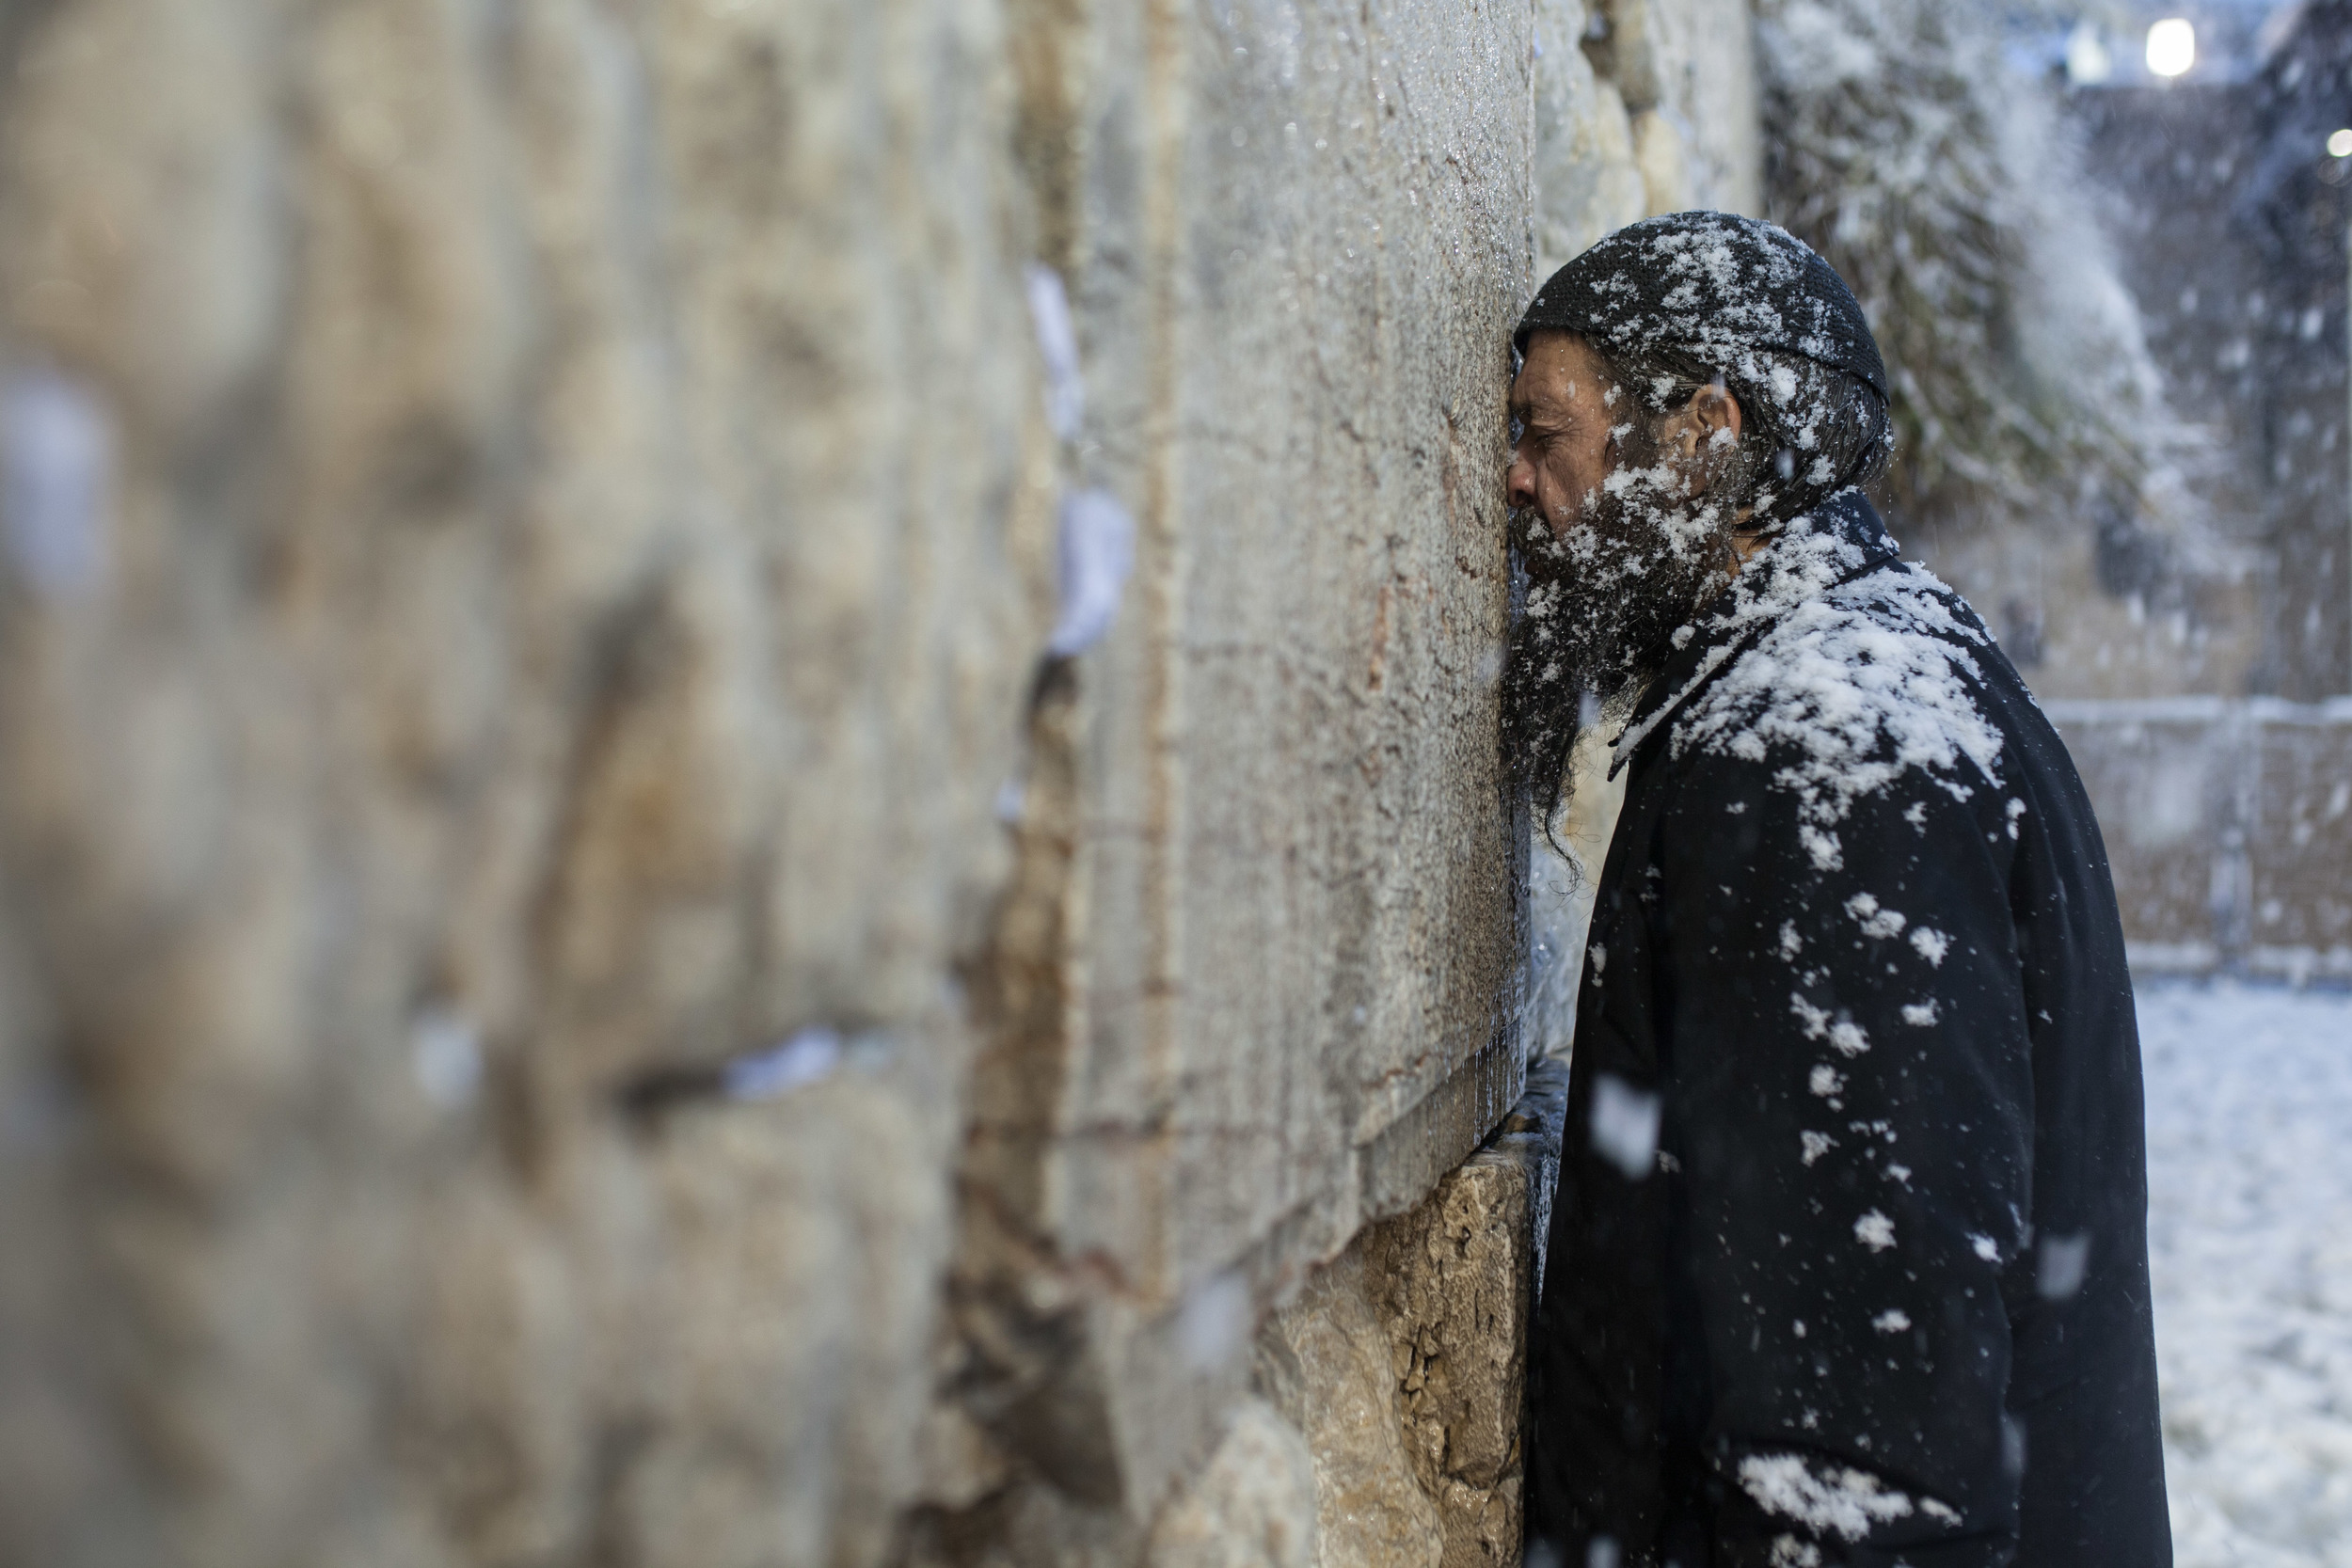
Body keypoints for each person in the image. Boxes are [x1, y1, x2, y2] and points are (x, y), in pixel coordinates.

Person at [1504, 213, 2169, 1568]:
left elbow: (1864, 1430)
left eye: (1547, 434)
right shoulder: (1865, 673)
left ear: (1704, 431)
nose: (1515, 483)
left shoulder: (1823, 754)